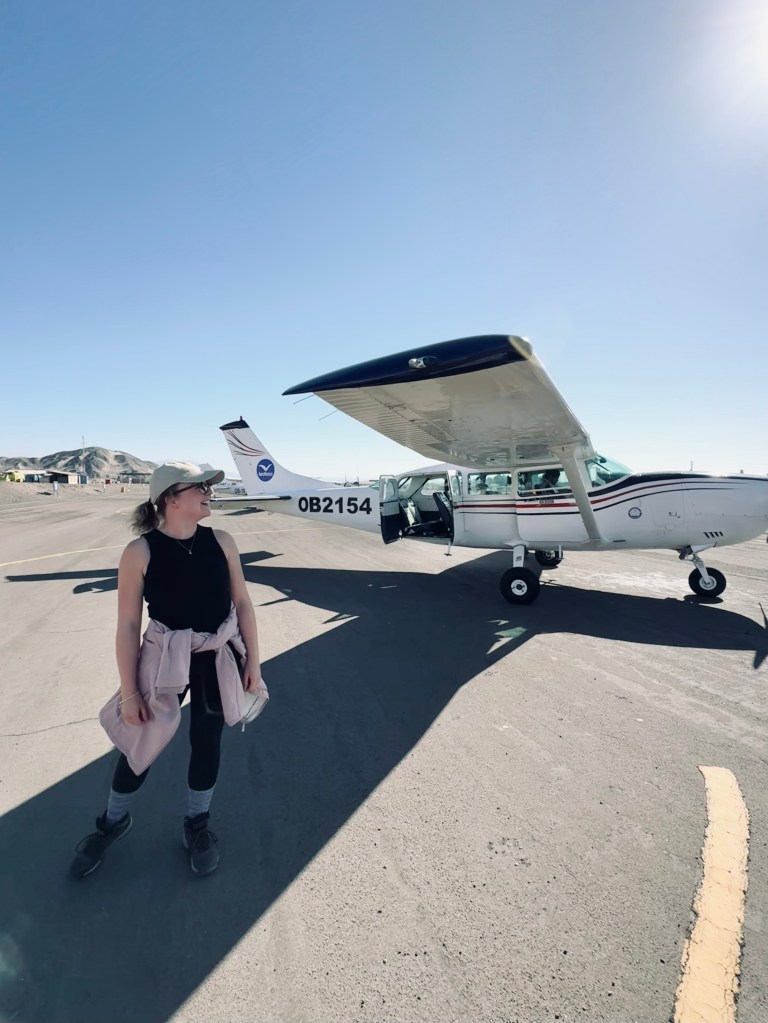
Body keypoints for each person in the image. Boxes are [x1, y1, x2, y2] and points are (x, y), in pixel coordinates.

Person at [70, 462, 265, 879]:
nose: (210, 493)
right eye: (201, 488)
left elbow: (243, 603)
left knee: (207, 739)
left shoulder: (223, 542)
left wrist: (253, 660)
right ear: (171, 498)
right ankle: (113, 821)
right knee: (140, 739)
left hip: (215, 654)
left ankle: (197, 824)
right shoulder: (140, 552)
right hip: (164, 656)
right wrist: (129, 693)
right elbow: (127, 626)